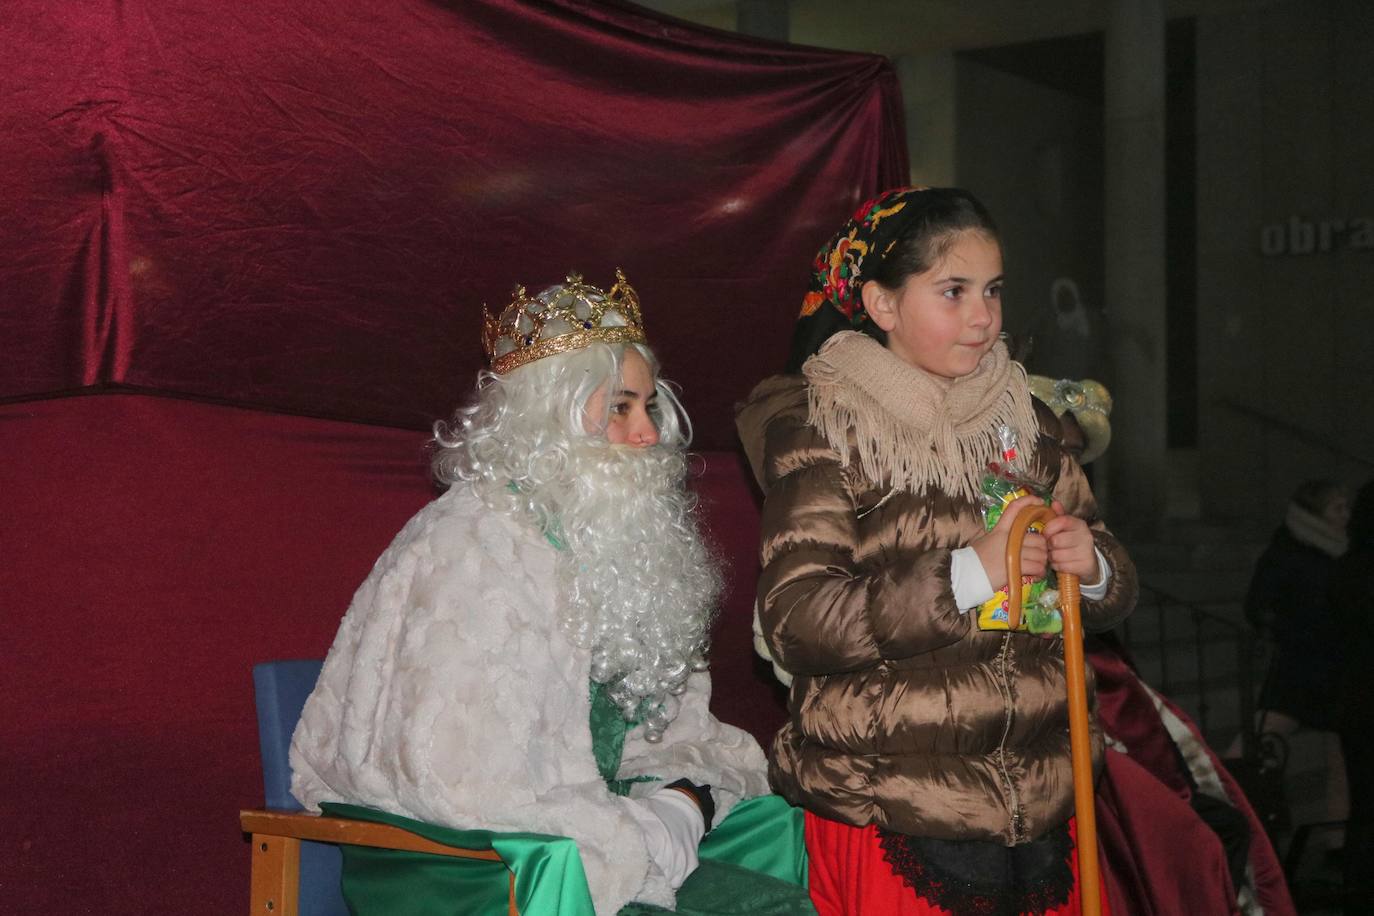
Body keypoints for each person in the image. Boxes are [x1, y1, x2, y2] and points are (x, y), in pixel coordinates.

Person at [291, 271, 812, 915]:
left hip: (589, 824)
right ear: (547, 420)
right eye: (620, 407)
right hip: (472, 862)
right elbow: (459, 778)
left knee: (770, 837)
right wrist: (632, 832)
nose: (648, 433)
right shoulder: (471, 545)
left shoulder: (621, 546)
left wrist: (681, 800)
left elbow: (673, 733)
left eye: (649, 407)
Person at [736, 187, 1138, 915]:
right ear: (882, 305)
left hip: (1045, 803)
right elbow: (797, 618)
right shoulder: (824, 428)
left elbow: (1110, 575)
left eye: (992, 291)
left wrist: (1096, 564)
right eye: (952, 292)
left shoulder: (1030, 419)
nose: (982, 317)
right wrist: (967, 575)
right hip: (894, 809)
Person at [1333, 478, 1374, 913]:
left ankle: (1358, 887)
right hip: (1363, 698)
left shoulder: (1347, 566)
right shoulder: (1356, 570)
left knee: (1364, 803)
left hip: (1356, 701)